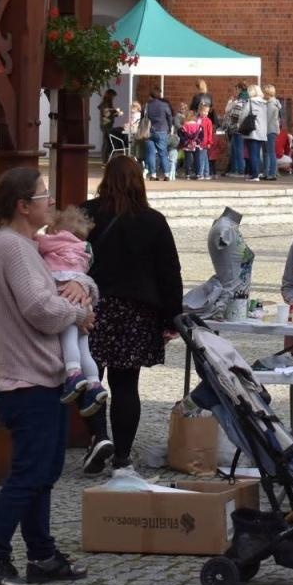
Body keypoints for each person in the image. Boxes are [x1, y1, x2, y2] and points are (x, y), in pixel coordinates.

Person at [0, 167, 93, 585]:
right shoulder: (13, 249)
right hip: (27, 382)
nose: (51, 201)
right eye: (44, 195)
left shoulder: (26, 245)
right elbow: (42, 310)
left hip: (43, 378)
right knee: (28, 475)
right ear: (23, 206)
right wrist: (79, 313)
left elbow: (69, 277)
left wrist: (82, 290)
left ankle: (41, 555)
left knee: (45, 471)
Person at [81, 155, 183, 471]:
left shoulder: (87, 213)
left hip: (94, 307)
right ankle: (122, 456)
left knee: (90, 378)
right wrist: (172, 318)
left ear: (105, 180)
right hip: (137, 312)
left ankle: (99, 437)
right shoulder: (153, 220)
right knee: (126, 384)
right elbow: (169, 272)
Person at [34, 207, 109, 416]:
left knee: (68, 337)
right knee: (84, 346)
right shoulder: (84, 248)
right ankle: (94, 384)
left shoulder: (56, 239)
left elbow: (35, 242)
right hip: (84, 301)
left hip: (66, 295)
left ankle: (73, 373)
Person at [142, 88, 172, 181]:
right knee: (163, 153)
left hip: (149, 131)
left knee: (150, 154)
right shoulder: (164, 105)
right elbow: (169, 117)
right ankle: (167, 175)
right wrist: (169, 128)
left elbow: (142, 118)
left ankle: (153, 175)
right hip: (162, 130)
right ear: (159, 95)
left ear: (150, 95)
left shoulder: (146, 105)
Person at [223, 83, 251, 178]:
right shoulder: (247, 100)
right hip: (241, 128)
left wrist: (230, 101)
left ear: (239, 90)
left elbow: (228, 111)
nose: (234, 92)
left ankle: (240, 171)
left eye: (235, 90)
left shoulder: (239, 101)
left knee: (238, 150)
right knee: (236, 150)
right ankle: (237, 170)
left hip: (237, 128)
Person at [181, 104, 211, 180]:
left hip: (202, 142)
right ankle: (201, 173)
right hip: (199, 143)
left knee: (203, 158)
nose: (205, 113)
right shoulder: (198, 120)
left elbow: (209, 132)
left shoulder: (208, 121)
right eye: (204, 111)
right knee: (201, 158)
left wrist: (209, 142)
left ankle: (204, 173)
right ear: (199, 111)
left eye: (207, 112)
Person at [261, 84, 283, 181]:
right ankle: (267, 172)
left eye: (264, 92)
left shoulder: (271, 105)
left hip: (269, 130)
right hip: (270, 130)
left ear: (267, 93)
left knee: (270, 152)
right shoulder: (272, 103)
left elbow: (267, 119)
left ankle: (272, 173)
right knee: (267, 152)